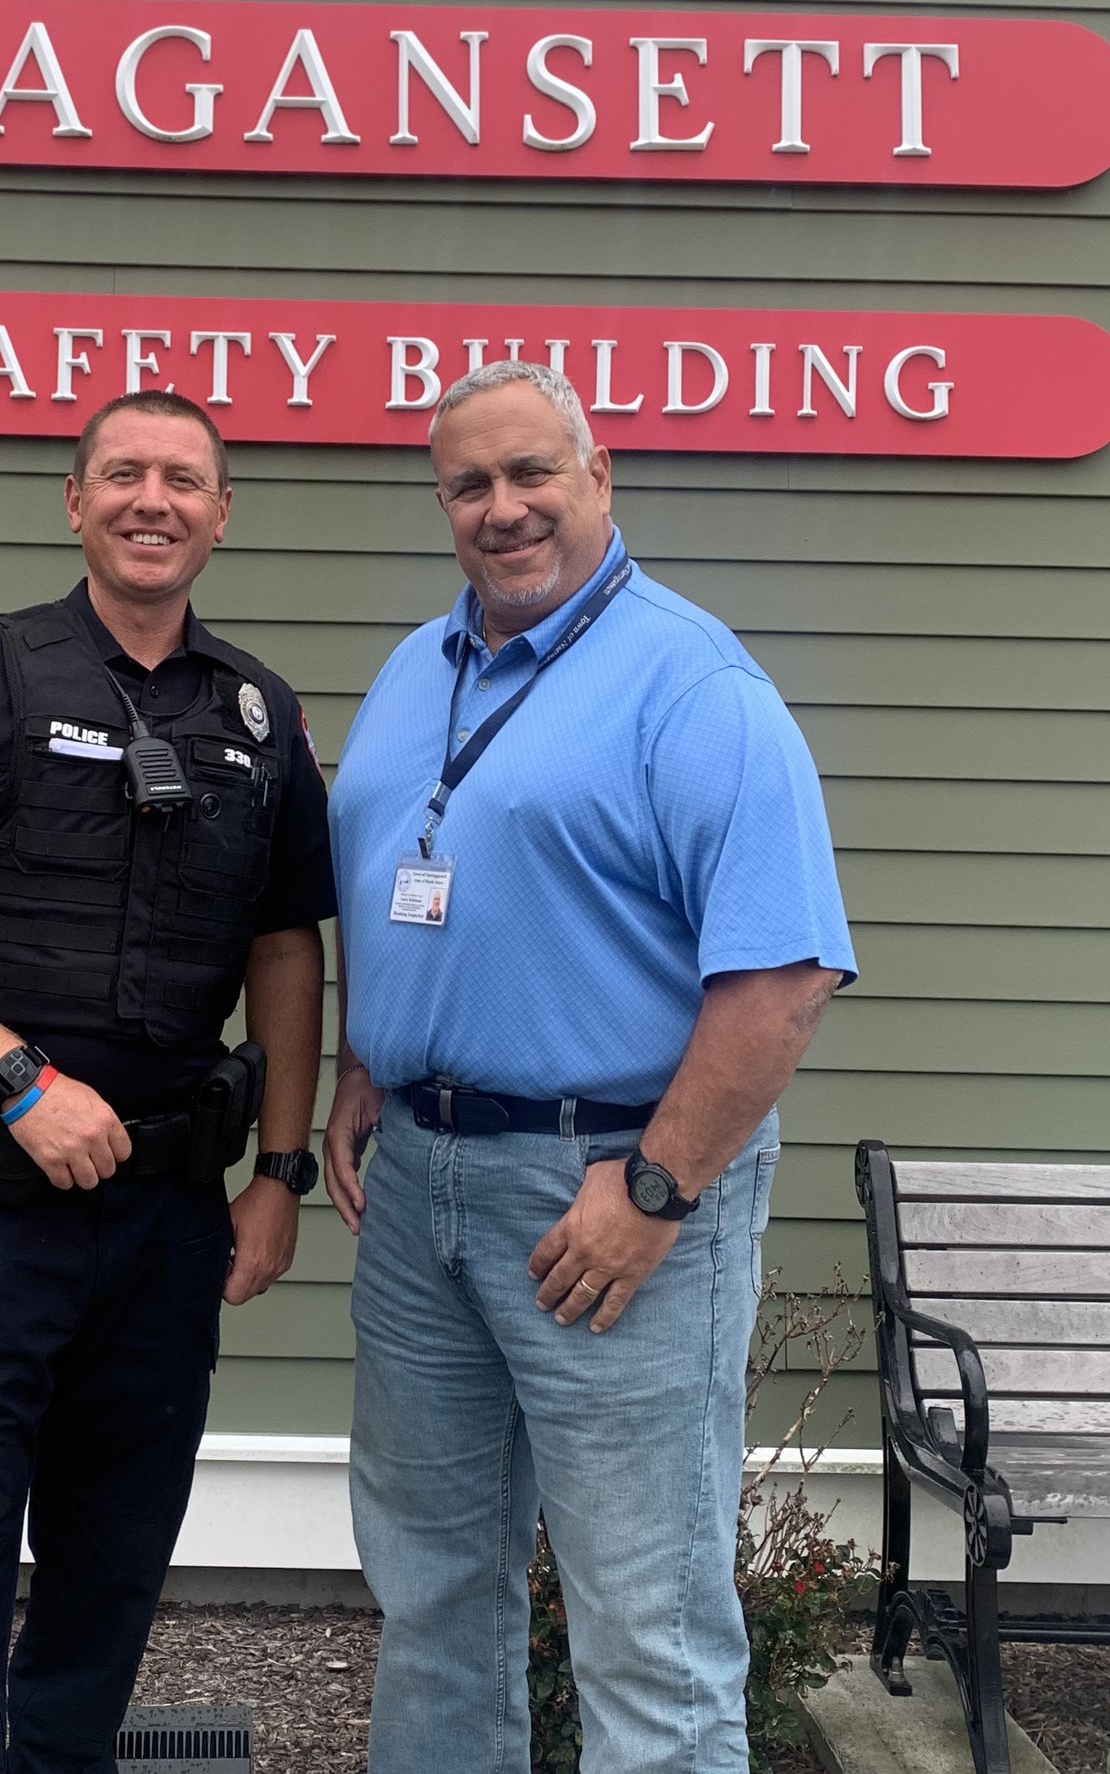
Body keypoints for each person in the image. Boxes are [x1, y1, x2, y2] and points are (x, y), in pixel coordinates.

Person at [324, 360, 856, 1774]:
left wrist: (657, 1189)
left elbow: (785, 981)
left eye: (531, 473)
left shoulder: (694, 683)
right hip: (420, 1188)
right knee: (432, 1596)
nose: (502, 509)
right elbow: (393, 874)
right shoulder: (419, 669)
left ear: (598, 474)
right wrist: (366, 1059)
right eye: (469, 485)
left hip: (609, 1192)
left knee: (648, 1630)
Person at [0, 389, 333, 1774]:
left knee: (112, 1565)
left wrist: (279, 1173)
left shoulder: (260, 716)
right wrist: (19, 1079)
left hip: (167, 1223)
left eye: (185, 480)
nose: (155, 501)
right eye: (125, 474)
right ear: (76, 501)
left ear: (223, 515)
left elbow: (287, 945)